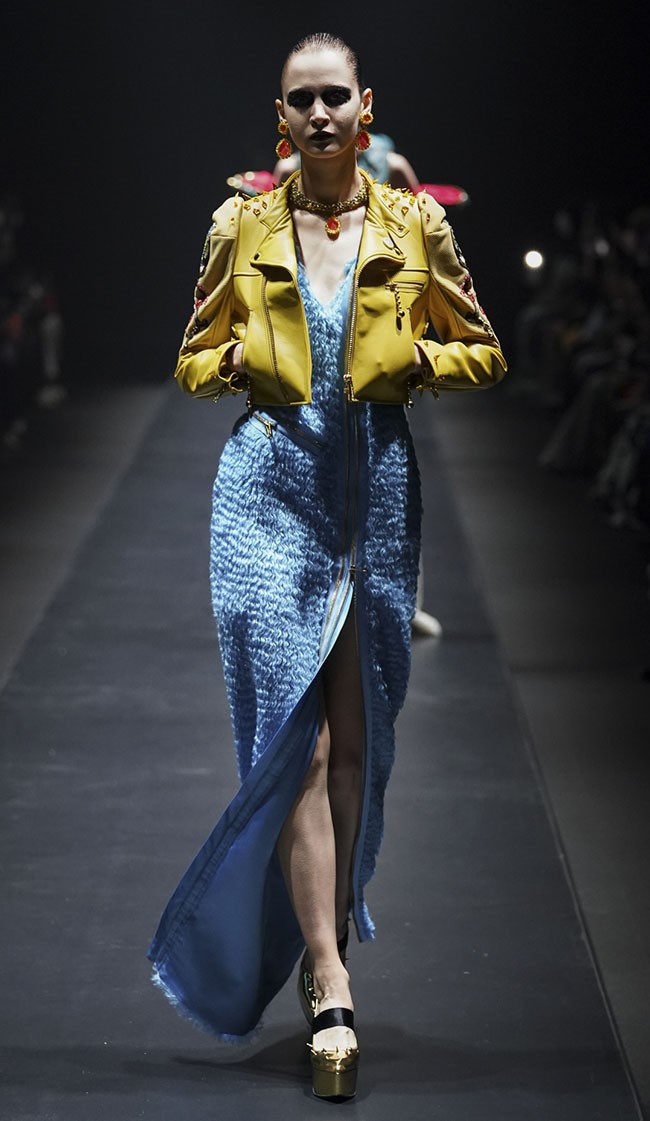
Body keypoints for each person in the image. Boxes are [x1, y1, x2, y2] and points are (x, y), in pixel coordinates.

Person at [148, 32, 506, 1100]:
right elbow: (191, 360)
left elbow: (485, 351)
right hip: (265, 496)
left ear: (363, 107)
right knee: (296, 749)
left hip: (376, 497)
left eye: (334, 96)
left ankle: (325, 939)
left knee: (356, 748)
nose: (317, 114)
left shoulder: (414, 225)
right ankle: (332, 980)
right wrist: (245, 364)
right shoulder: (242, 226)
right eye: (300, 99)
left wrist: (413, 361)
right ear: (280, 116)